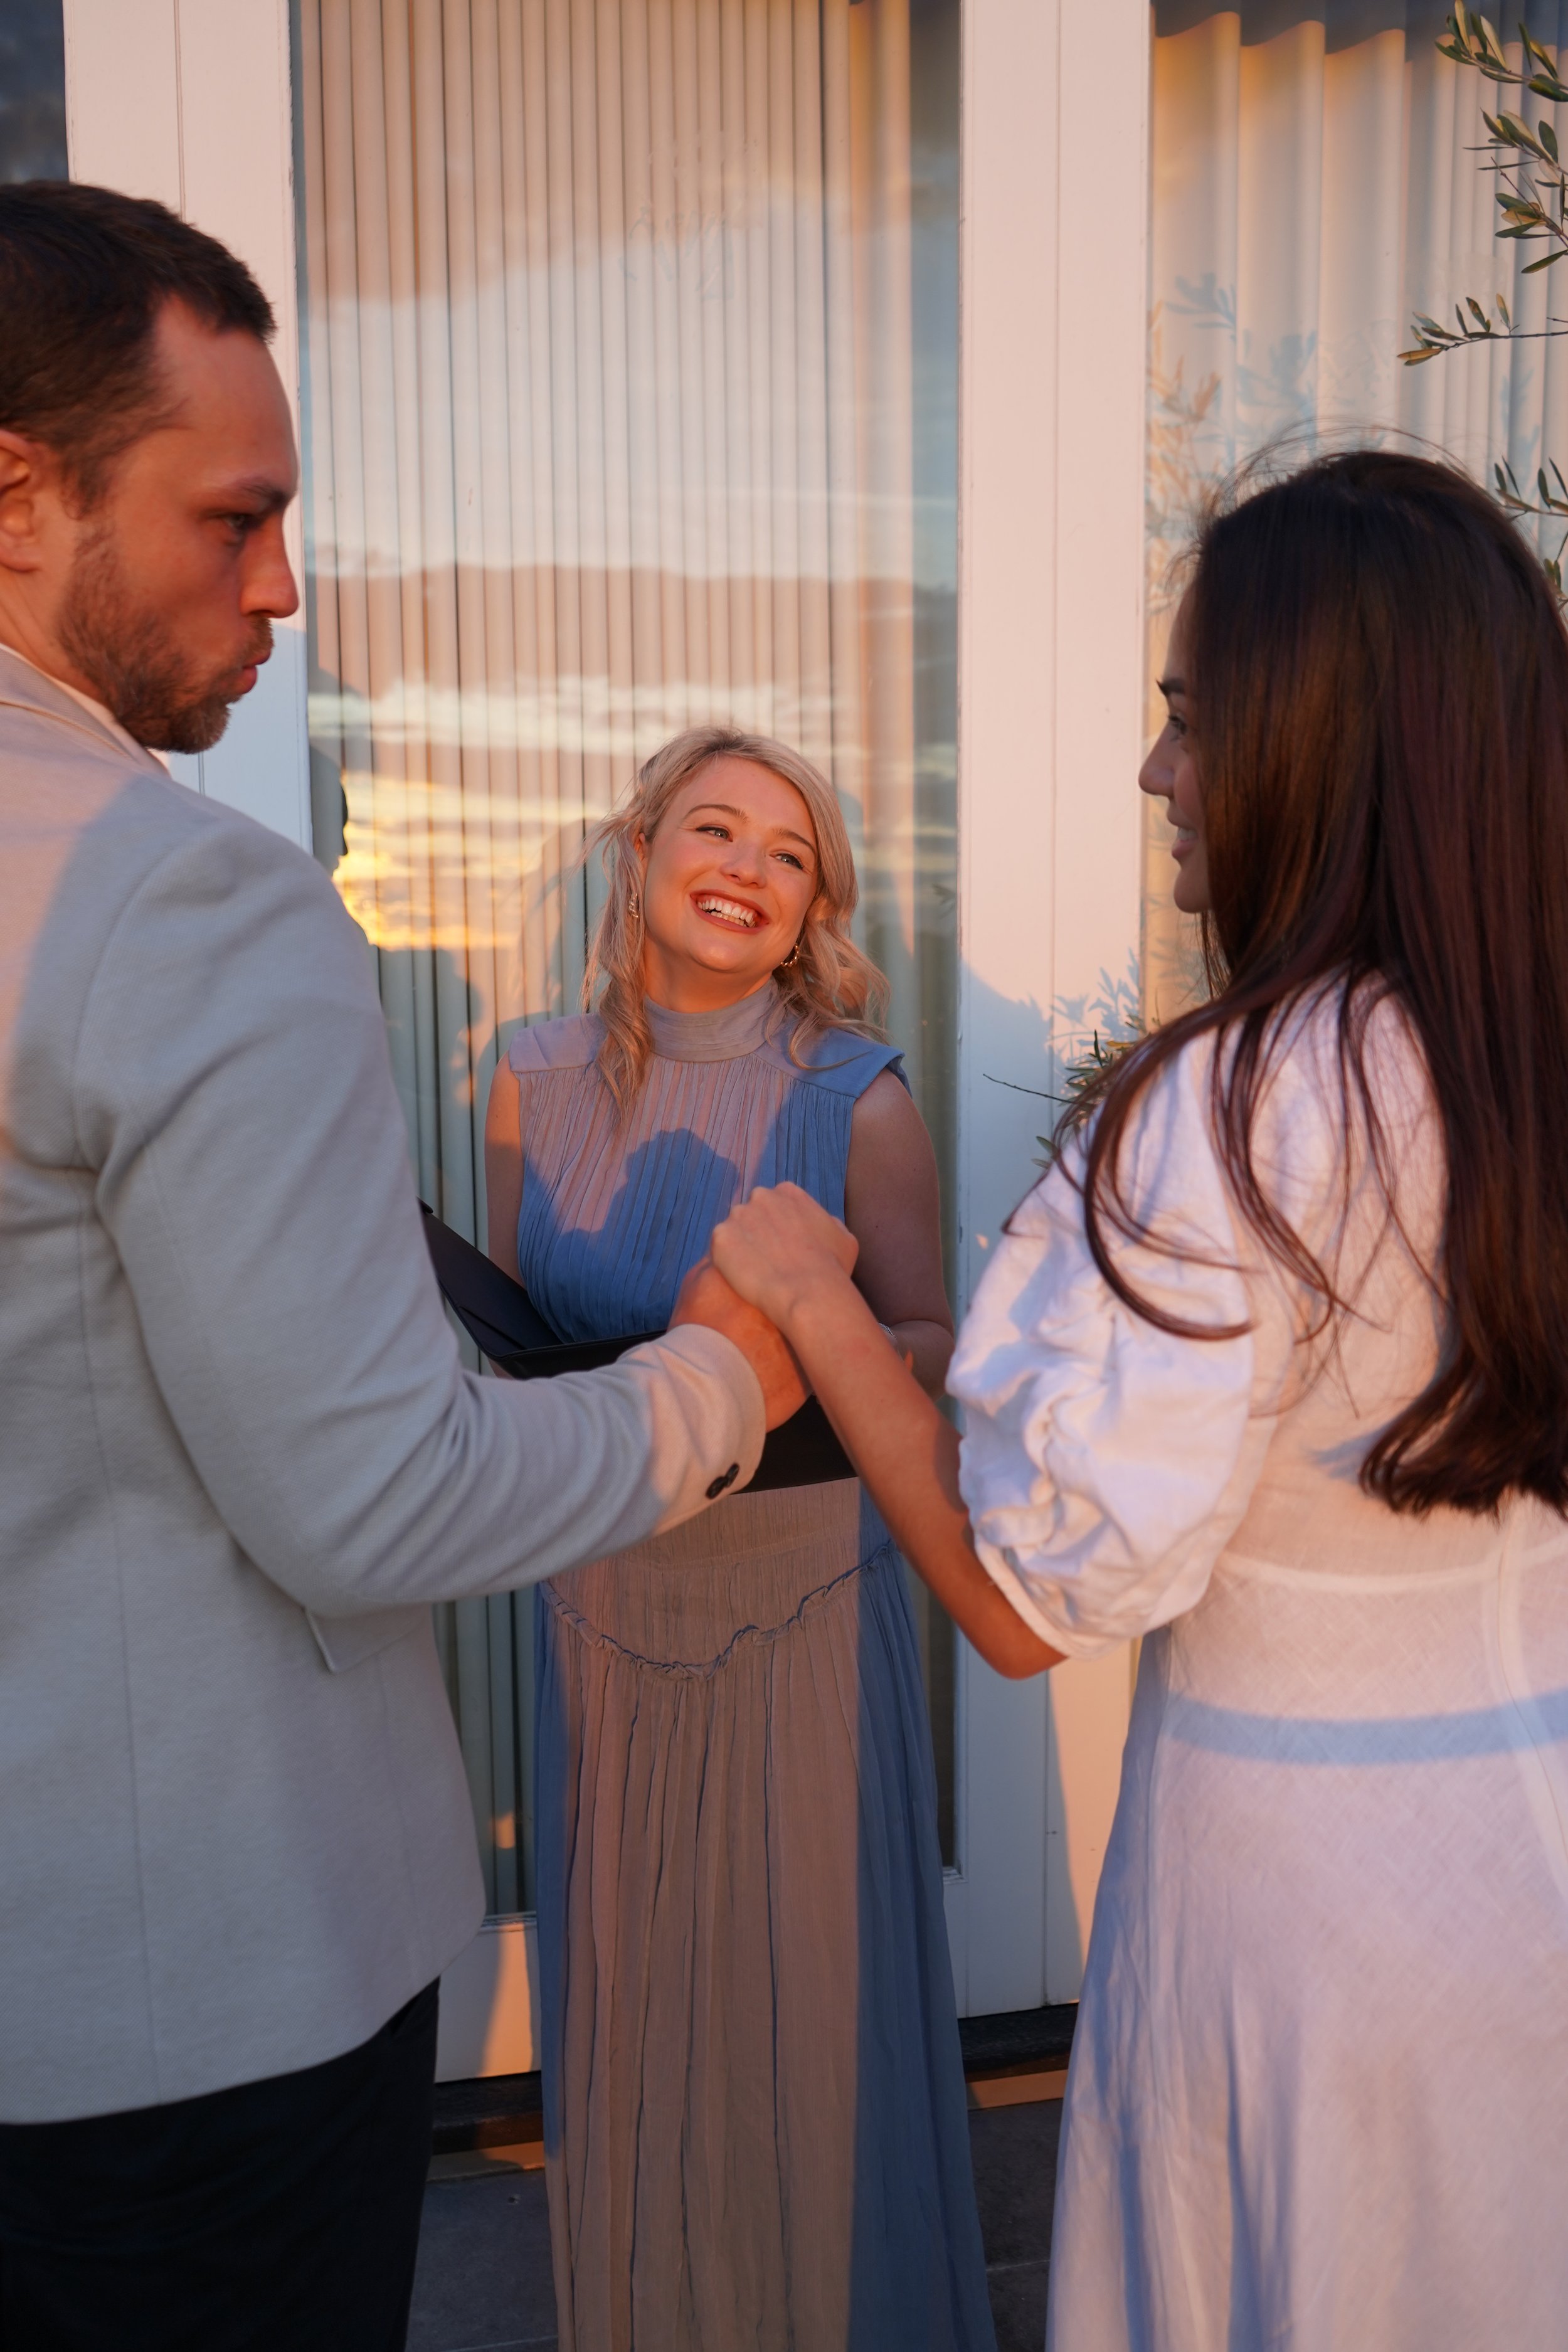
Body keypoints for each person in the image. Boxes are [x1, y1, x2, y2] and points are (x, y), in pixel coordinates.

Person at [0, 183, 802, 2352]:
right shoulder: (174, 905)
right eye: (230, 517)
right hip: (173, 2033)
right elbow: (375, 1491)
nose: (282, 588)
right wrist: (719, 1383)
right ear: (17, 495)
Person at [708, 450, 1568, 2351]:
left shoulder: (1250, 1100)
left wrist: (814, 1305)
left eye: (1190, 718)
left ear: (1320, 741)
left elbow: (1030, 1606)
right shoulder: (1524, 1052)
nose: (1156, 775)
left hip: (1308, 1926)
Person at [484, 726, 996, 2352]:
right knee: (636, 2018)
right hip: (602, 1594)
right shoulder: (528, 1072)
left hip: (795, 1606)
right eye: (714, 831)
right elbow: (511, 1336)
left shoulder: (856, 1090)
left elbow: (928, 1354)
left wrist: (806, 1315)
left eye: (788, 856)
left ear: (816, 908)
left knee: (801, 2016)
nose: (746, 873)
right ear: (637, 854)